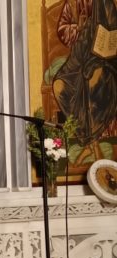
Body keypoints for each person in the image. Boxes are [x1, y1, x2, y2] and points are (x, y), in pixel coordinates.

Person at [53, 0, 117, 163]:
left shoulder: (106, 3)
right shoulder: (72, 4)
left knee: (91, 81)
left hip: (103, 60)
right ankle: (89, 143)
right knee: (58, 86)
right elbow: (62, 29)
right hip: (78, 60)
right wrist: (78, 29)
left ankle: (93, 146)